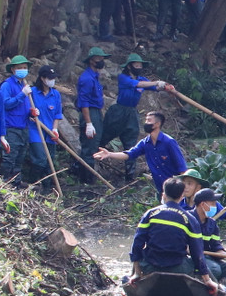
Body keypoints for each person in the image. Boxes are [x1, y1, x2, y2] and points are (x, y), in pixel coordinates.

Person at [129, 178, 214, 285]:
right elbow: (197, 252)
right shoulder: (190, 219)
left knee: (134, 267)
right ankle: (214, 284)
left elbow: (137, 244)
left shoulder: (150, 214)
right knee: (202, 268)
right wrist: (207, 280)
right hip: (178, 268)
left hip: (150, 267)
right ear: (182, 196)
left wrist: (137, 273)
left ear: (164, 194)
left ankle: (134, 276)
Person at [106, 54, 174, 182]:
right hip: (118, 111)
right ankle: (89, 164)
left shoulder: (141, 79)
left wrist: (166, 87)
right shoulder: (123, 78)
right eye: (136, 65)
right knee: (105, 136)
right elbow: (138, 84)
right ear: (129, 66)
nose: (138, 67)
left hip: (132, 112)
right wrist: (157, 82)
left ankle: (130, 176)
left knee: (131, 142)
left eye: (140, 65)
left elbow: (153, 87)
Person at [94, 110, 188, 197]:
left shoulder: (169, 142)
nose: (146, 123)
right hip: (161, 189)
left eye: (149, 120)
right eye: (146, 120)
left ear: (157, 124)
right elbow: (129, 154)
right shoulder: (145, 143)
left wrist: (184, 189)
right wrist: (109, 154)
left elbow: (181, 167)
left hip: (175, 189)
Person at [191, 188, 226, 289]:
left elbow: (216, 247)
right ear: (202, 204)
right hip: (194, 259)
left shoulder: (212, 224)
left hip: (210, 259)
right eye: (213, 203)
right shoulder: (188, 219)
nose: (215, 206)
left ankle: (222, 286)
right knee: (215, 269)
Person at [25, 66, 64, 191]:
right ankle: (32, 184)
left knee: (49, 162)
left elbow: (57, 114)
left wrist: (55, 129)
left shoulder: (55, 94)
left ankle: (47, 189)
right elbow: (26, 110)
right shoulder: (32, 93)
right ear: (42, 78)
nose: (52, 80)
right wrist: (31, 113)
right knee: (40, 159)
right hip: (36, 130)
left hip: (50, 132)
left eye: (54, 78)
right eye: (49, 78)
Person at [75, 46, 109, 184]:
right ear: (91, 60)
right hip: (90, 113)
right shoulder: (87, 79)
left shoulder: (95, 77)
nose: (101, 61)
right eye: (98, 58)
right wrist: (89, 123)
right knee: (89, 147)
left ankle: (87, 177)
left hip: (96, 112)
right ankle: (86, 180)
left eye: (102, 58)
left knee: (94, 145)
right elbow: (84, 102)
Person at [0, 55, 33, 184]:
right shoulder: (7, 85)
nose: (23, 70)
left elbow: (25, 106)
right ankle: (4, 183)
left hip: (24, 127)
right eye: (20, 68)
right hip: (11, 127)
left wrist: (32, 112)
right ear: (13, 69)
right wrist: (22, 94)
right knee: (9, 157)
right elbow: (5, 104)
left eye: (25, 67)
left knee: (20, 158)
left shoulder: (24, 85)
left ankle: (16, 184)